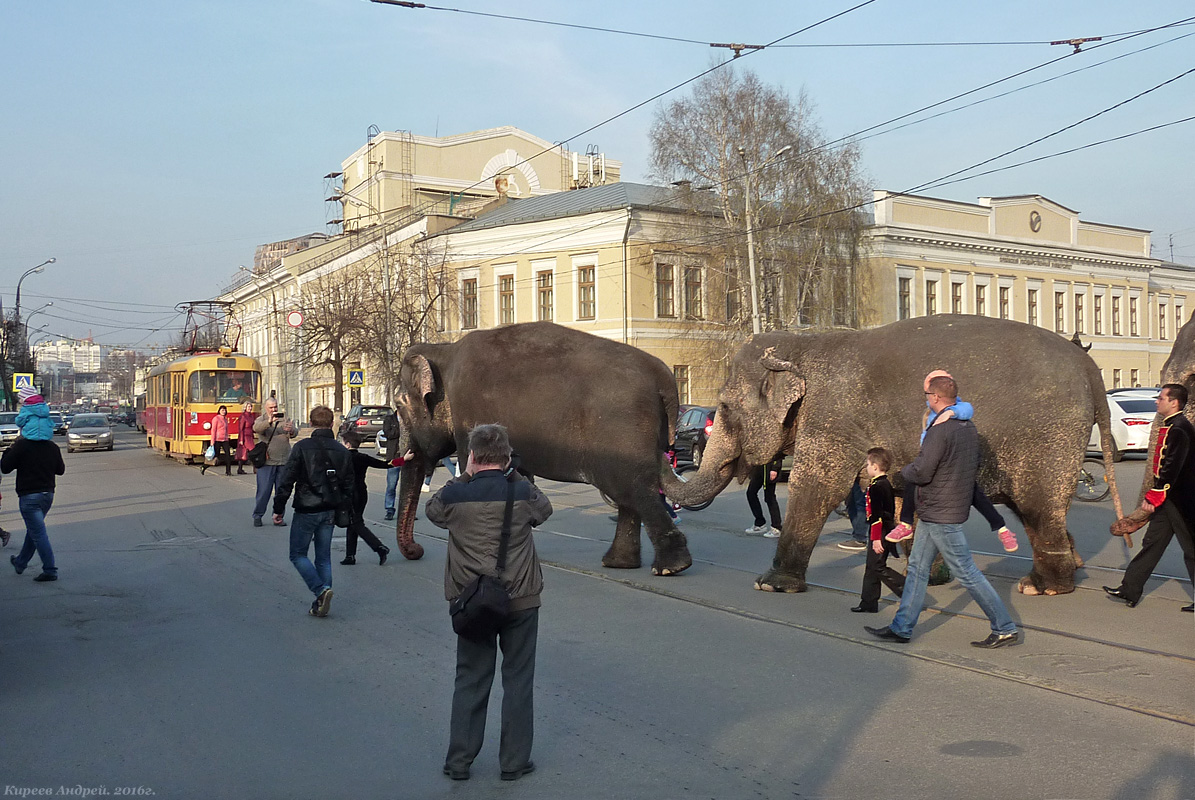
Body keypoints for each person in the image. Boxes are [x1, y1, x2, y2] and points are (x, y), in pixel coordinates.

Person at [426, 424, 552, 782]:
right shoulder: (522, 490)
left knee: (470, 678)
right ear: (507, 457)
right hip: (521, 599)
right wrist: (517, 474)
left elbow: (432, 511)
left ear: (472, 456)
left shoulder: (454, 496)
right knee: (518, 680)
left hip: (473, 601)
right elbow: (545, 511)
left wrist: (463, 476)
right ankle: (513, 762)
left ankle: (459, 762)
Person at [865, 375, 1019, 648]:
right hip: (941, 509)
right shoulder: (969, 428)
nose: (926, 399)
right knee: (917, 568)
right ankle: (902, 627)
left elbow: (923, 471)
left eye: (927, 395)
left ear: (935, 398)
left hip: (939, 512)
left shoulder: (939, 430)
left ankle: (1004, 627)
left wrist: (904, 471)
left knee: (967, 572)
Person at [885, 370, 1017, 553]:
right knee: (968, 492)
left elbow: (966, 408)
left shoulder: (955, 409)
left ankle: (906, 524)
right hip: (934, 457)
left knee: (917, 479)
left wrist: (952, 411)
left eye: (929, 392)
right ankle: (1001, 527)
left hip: (943, 461)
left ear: (936, 396)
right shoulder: (933, 408)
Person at [1104, 383, 1195, 612]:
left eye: (1161, 398)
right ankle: (1129, 589)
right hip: (1169, 501)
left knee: (1192, 552)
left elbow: (1173, 467)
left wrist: (1156, 493)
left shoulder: (1180, 429)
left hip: (1183, 502)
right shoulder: (1172, 425)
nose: (1157, 401)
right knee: (1151, 544)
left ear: (1174, 402)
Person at [273, 405, 355, 618]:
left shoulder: (302, 447)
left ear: (310, 424)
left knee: (297, 554)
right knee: (324, 557)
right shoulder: (341, 451)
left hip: (306, 508)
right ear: (331, 424)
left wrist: (278, 508)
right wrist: (343, 508)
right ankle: (321, 600)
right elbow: (349, 484)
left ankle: (320, 590)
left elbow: (286, 480)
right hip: (329, 510)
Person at [2, 416, 66, 582]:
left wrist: (10, 448)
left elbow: (5, 467)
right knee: (34, 530)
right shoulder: (52, 447)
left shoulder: (22, 446)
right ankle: (20, 562)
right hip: (48, 495)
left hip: (29, 496)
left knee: (38, 533)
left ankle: (50, 569)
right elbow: (60, 470)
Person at [852, 447, 905, 612]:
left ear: (875, 466)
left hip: (880, 531)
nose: (866, 468)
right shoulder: (883, 483)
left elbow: (877, 516)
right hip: (883, 529)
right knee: (871, 565)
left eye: (868, 464)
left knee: (878, 566)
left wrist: (876, 539)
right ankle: (868, 602)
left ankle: (905, 587)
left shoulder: (877, 487)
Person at [340, 428, 404, 566]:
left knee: (356, 523)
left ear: (348, 444)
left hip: (349, 494)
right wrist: (404, 459)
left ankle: (379, 547)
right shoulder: (362, 457)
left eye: (342, 442)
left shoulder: (342, 458)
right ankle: (350, 556)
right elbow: (385, 464)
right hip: (362, 492)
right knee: (353, 523)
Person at [252, 397, 298, 527]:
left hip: (283, 461)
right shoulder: (261, 419)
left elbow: (294, 432)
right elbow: (257, 428)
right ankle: (258, 515)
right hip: (267, 462)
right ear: (266, 408)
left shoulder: (284, 419)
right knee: (264, 491)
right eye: (271, 407)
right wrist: (269, 421)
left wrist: (292, 430)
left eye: (275, 407)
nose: (274, 409)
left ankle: (278, 516)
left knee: (281, 493)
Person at [744, 453, 784, 538]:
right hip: (759, 466)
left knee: (769, 497)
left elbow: (778, 450)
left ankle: (776, 527)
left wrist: (775, 468)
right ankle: (760, 523)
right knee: (751, 493)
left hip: (770, 467)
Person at [838, 475, 870, 551]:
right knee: (851, 503)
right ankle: (858, 535)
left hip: (863, 477)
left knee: (860, 504)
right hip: (853, 476)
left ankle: (859, 538)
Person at [201, 405, 232, 476]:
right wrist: (212, 442)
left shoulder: (225, 419)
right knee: (215, 456)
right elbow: (213, 430)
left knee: (228, 455)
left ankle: (228, 471)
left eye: (224, 410)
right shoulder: (216, 419)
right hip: (217, 440)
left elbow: (226, 430)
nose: (223, 412)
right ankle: (204, 466)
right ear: (219, 411)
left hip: (225, 439)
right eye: (222, 410)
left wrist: (227, 437)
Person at [235, 399, 257, 475]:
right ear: (245, 407)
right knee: (247, 452)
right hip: (244, 436)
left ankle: (240, 469)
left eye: (251, 406)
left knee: (249, 452)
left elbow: (253, 426)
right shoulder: (243, 416)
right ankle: (254, 468)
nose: (250, 408)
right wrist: (241, 440)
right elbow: (240, 429)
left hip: (250, 436)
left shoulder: (251, 416)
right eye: (248, 406)